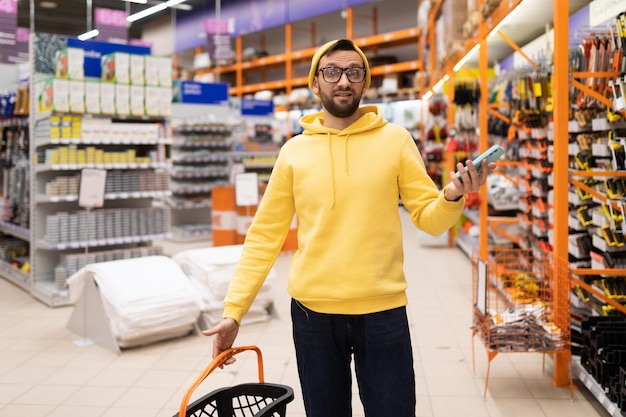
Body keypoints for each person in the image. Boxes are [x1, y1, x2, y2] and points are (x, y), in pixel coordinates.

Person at [203, 38, 494, 417]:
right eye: (332, 72)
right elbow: (263, 238)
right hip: (313, 315)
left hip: (383, 311)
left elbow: (430, 219)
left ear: (364, 82)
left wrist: (453, 195)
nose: (344, 80)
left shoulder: (395, 140)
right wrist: (234, 310)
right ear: (316, 82)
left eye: (354, 72)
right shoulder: (293, 152)